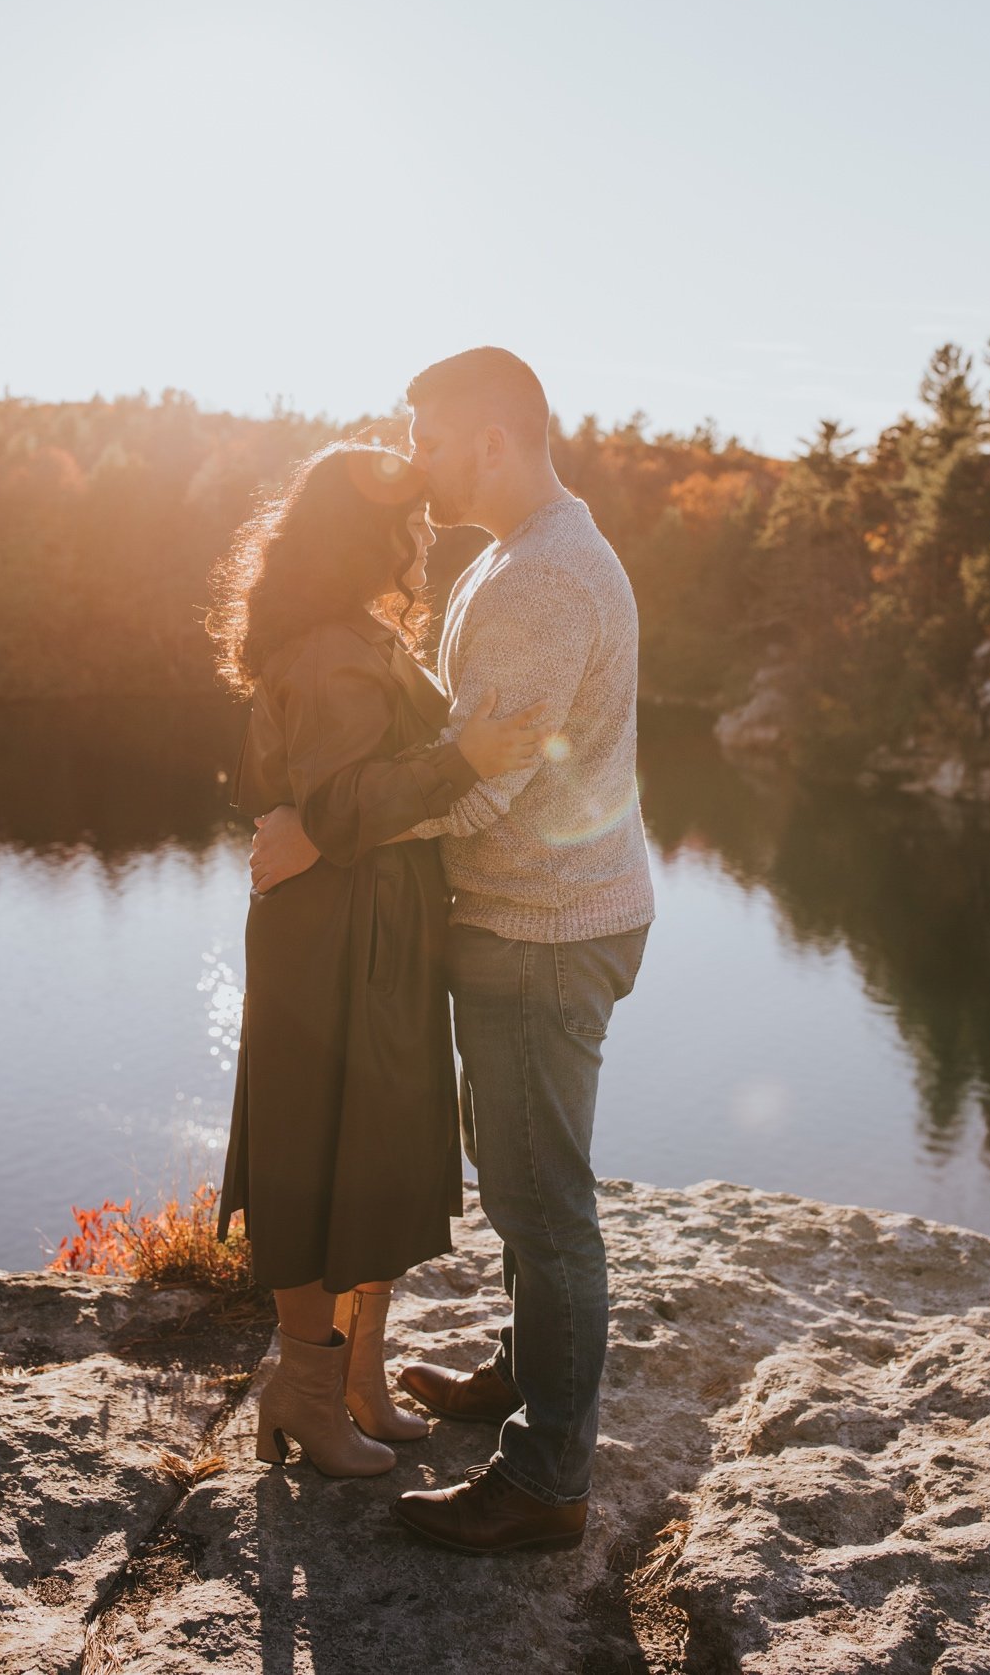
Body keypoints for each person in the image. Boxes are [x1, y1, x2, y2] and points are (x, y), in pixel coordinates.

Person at [250, 349, 655, 1552]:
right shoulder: (524, 557)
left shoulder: (538, 582)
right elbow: (463, 745)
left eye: (426, 435)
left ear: (488, 438)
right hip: (551, 914)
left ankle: (545, 1486)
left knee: (543, 1208)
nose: (414, 459)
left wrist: (321, 831)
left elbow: (481, 797)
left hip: (540, 930)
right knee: (528, 1185)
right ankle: (524, 1377)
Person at [207, 441, 546, 1480]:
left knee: (375, 1158)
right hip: (331, 942)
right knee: (315, 1156)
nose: (425, 541)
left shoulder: (360, 635)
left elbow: (334, 803)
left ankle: (357, 1381)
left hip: (380, 931)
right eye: (407, 529)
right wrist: (466, 760)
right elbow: (343, 806)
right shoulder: (326, 651)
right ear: (362, 537)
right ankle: (304, 1393)